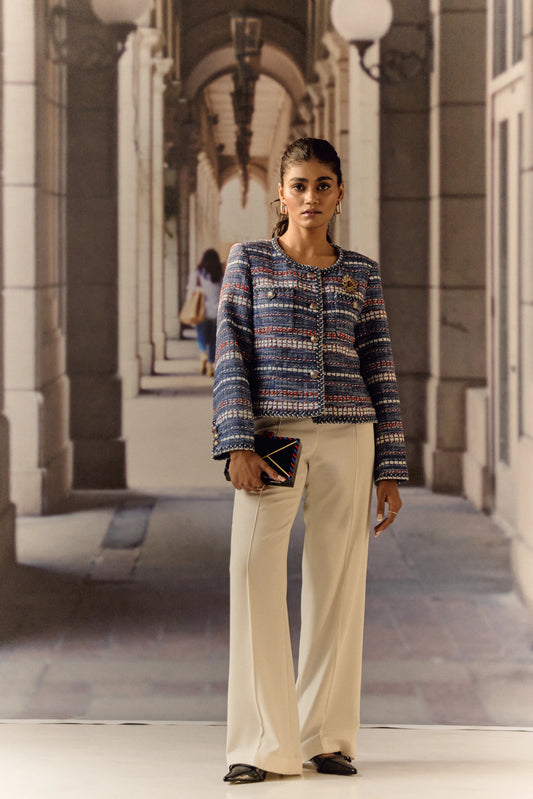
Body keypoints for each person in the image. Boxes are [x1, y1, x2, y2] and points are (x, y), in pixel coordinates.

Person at [212, 138, 408, 784]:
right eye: (299, 184)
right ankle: (262, 741)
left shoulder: (361, 273)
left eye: (323, 185)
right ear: (280, 192)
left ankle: (323, 735)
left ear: (338, 194)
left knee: (336, 585)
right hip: (273, 437)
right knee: (253, 574)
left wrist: (388, 465)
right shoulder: (249, 263)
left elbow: (379, 367)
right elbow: (232, 355)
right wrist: (236, 438)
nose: (310, 198)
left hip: (349, 436)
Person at [190, 248, 223, 376]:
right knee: (214, 340)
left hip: (202, 311)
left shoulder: (198, 274)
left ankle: (202, 354)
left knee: (201, 337)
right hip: (216, 312)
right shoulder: (220, 275)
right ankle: (211, 364)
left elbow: (192, 290)